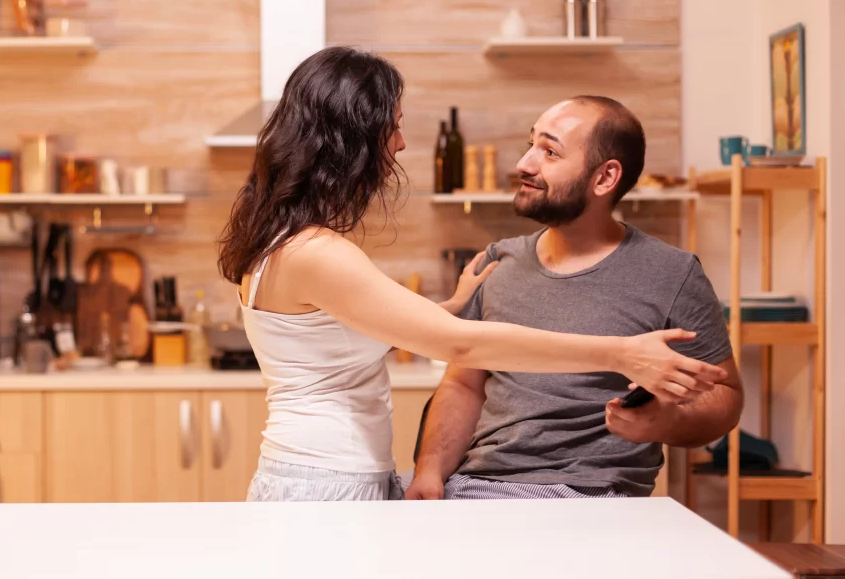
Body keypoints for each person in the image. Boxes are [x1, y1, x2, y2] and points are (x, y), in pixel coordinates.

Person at [216, 48, 727, 502]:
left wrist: (444, 310)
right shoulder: (316, 252)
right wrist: (619, 352)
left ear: (605, 177)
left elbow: (356, 336)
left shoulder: (290, 242)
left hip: (323, 475)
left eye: (549, 150)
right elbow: (460, 350)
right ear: (353, 139)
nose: (400, 144)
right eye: (391, 126)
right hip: (325, 485)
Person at [406, 96, 744, 501]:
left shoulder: (671, 273)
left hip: (589, 495)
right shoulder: (499, 261)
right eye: (530, 145)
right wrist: (429, 472)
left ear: (604, 178)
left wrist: (662, 423)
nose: (525, 165)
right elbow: (463, 384)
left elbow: (725, 397)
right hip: (477, 488)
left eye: (549, 151)